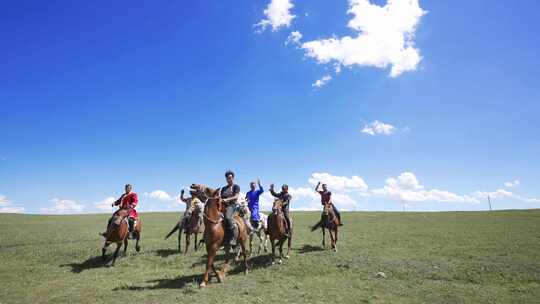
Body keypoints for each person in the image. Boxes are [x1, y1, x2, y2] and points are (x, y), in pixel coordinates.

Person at [220, 170, 241, 246]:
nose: (229, 179)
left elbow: (236, 197)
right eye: (227, 178)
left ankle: (234, 238)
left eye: (230, 178)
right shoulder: (223, 188)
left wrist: (227, 199)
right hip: (223, 206)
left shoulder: (236, 187)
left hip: (232, 205)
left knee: (228, 217)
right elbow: (220, 197)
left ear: (233, 178)